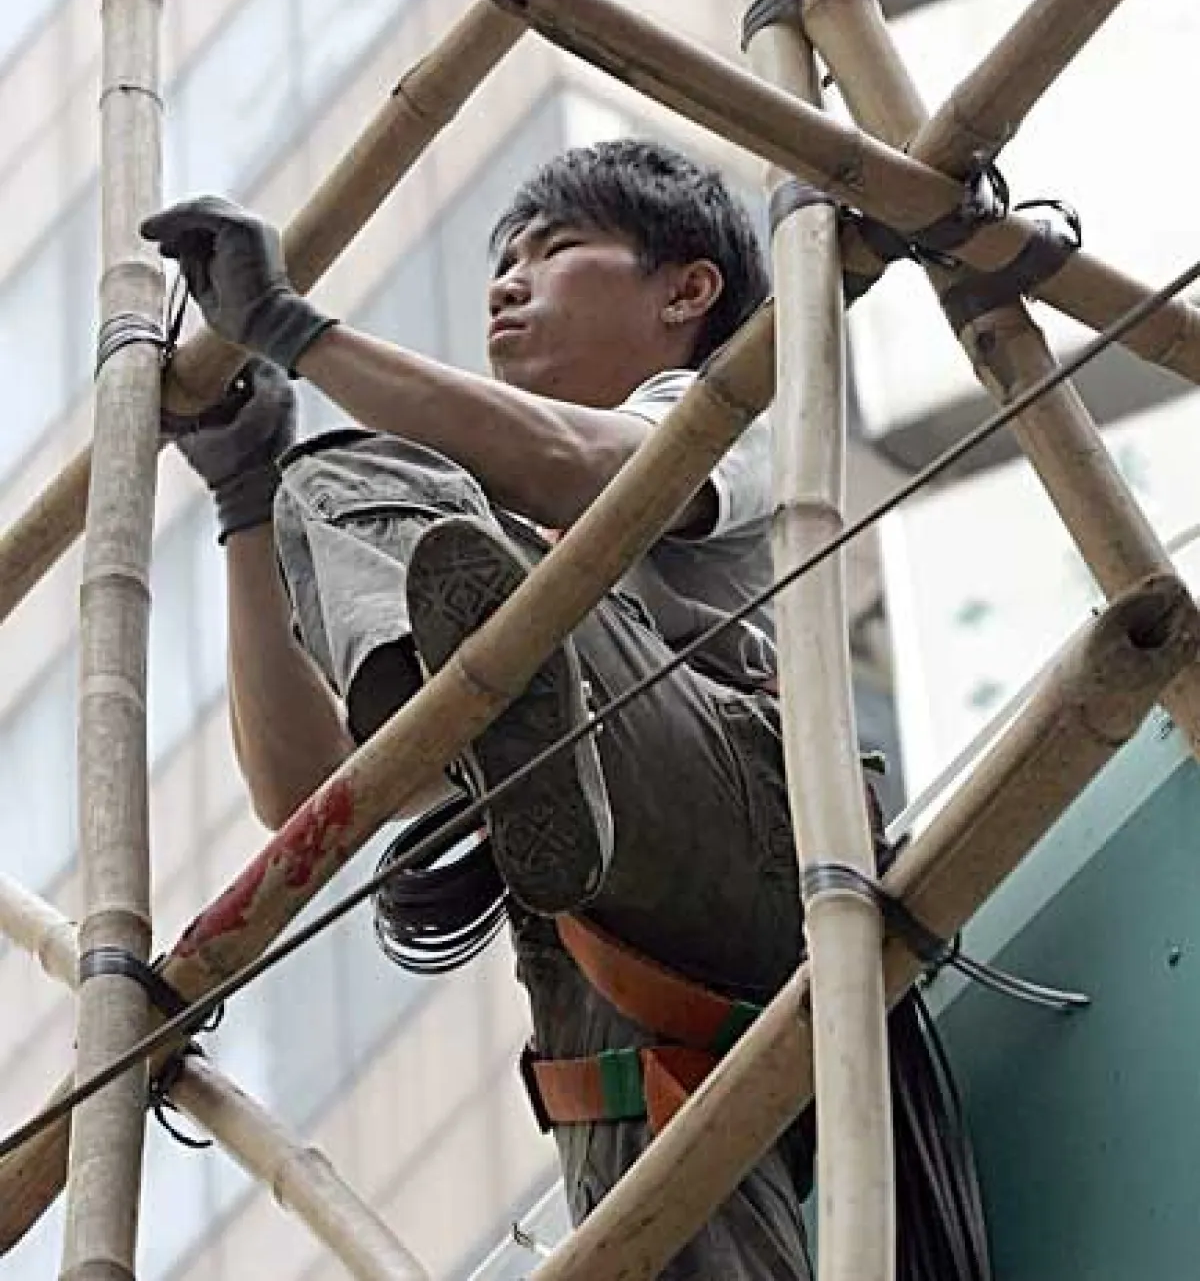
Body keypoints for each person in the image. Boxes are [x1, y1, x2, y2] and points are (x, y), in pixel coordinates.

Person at [144, 139, 814, 1279]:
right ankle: (492, 723)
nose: (508, 280)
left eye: (555, 250)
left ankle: (507, 715)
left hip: (741, 827)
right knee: (661, 1248)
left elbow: (582, 467)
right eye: (503, 259)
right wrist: (251, 499)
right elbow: (307, 792)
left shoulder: (738, 406)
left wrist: (302, 335)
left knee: (370, 477)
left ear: (686, 290)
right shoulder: (480, 555)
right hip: (597, 983)